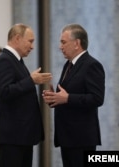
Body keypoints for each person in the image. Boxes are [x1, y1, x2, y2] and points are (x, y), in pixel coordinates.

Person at [43, 24, 105, 167]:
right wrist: (55, 98)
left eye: (63, 42)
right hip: (68, 137)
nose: (60, 46)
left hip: (82, 138)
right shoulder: (69, 65)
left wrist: (67, 98)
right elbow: (67, 97)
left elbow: (97, 98)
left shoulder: (92, 65)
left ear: (77, 43)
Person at [0, 23, 52, 167]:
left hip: (20, 137)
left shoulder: (16, 61)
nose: (32, 47)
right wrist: (31, 80)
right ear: (17, 38)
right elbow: (4, 93)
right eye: (30, 41)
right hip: (11, 138)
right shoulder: (4, 60)